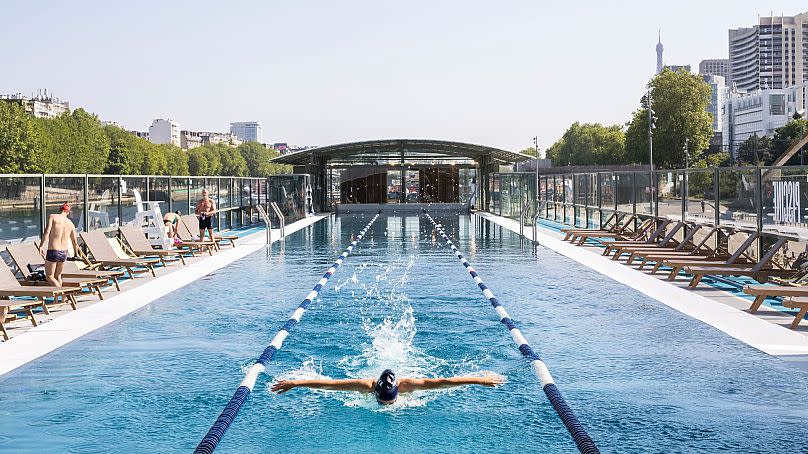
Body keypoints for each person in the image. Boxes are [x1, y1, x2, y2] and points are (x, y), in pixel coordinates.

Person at [271, 369, 504, 405]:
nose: (386, 405)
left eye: (388, 402)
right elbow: (330, 385)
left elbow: (445, 383)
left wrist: (480, 380)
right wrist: (296, 383)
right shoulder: (365, 386)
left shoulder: (409, 386)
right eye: (384, 402)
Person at [39, 202, 80, 287]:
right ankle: (58, 300)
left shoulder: (53, 217)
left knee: (49, 276)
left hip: (53, 251)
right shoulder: (71, 224)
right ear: (68, 212)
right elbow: (75, 242)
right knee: (58, 276)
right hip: (63, 253)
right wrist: (76, 255)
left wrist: (41, 246)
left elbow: (46, 232)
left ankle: (62, 293)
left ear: (60, 209)